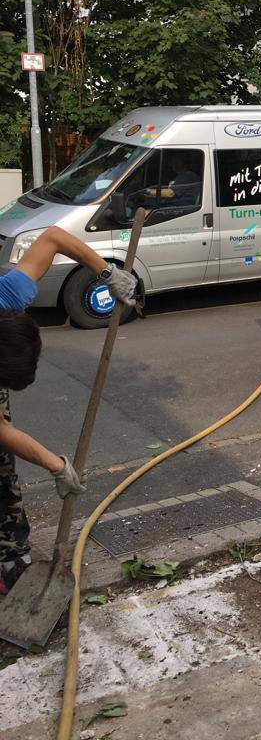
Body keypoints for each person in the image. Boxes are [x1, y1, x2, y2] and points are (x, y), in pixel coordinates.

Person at [0, 226, 136, 593]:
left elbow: (53, 237)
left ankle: (10, 555)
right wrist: (55, 464)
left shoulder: (6, 296)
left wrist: (108, 273)